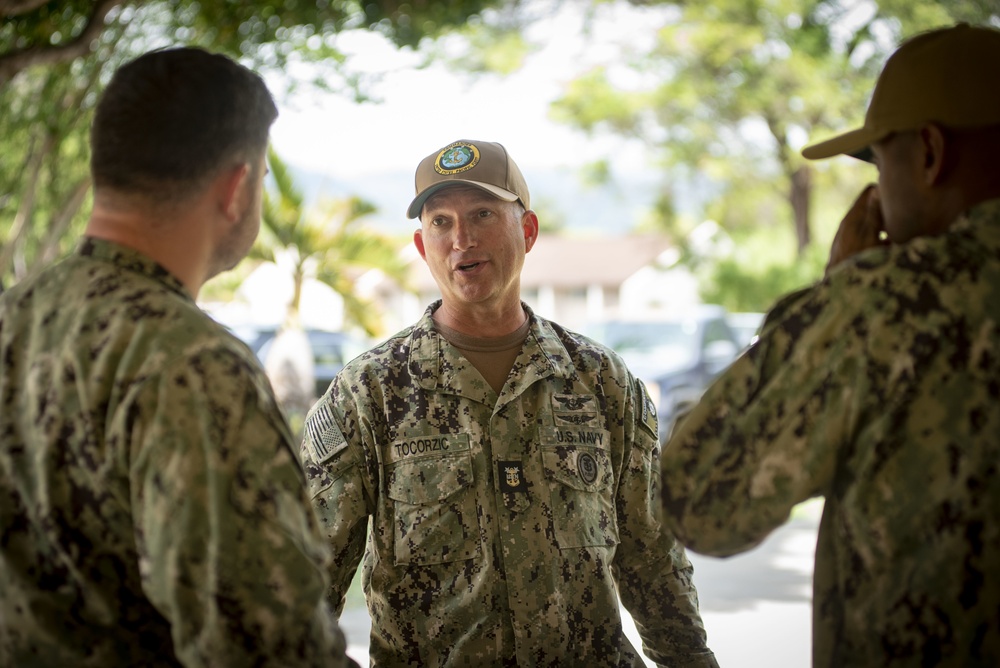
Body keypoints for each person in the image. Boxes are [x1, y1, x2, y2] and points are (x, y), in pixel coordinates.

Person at [300, 139, 719, 666]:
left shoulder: (601, 382)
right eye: (441, 222)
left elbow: (653, 558)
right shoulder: (371, 392)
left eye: (482, 214)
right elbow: (305, 583)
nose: (462, 239)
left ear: (528, 230)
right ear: (420, 244)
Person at [0, 47, 355, 667]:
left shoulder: (13, 317)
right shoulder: (191, 364)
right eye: (264, 178)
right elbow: (267, 649)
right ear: (238, 187)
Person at [660, 23, 1000, 667]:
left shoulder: (884, 303)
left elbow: (700, 502)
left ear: (929, 153)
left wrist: (830, 301)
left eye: (879, 160)